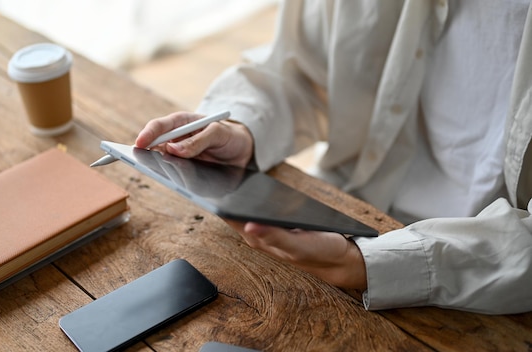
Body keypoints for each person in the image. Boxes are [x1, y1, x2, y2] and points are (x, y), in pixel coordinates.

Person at [135, 0, 532, 314]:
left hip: (484, 279)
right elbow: (301, 70)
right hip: (340, 211)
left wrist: (364, 263)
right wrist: (243, 129)